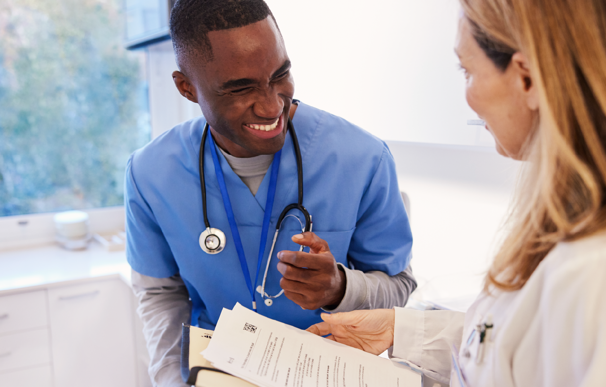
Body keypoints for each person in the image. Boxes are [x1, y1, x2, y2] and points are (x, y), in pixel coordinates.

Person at [308, 0, 606, 385]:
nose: (467, 96)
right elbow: (525, 348)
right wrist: (400, 330)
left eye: (468, 71)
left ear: (527, 79)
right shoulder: (581, 235)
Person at [125, 1, 416, 386]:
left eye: (281, 75)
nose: (272, 104)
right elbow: (161, 294)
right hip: (218, 372)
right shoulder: (150, 173)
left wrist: (339, 288)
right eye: (240, 88)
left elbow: (399, 288)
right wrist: (171, 379)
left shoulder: (362, 158)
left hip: (326, 372)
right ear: (187, 88)